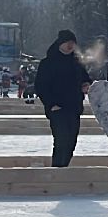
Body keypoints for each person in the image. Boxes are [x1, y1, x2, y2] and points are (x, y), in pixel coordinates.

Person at [34, 31, 92, 168]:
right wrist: (51, 104)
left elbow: (85, 79)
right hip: (57, 108)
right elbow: (41, 86)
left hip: (74, 107)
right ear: (60, 44)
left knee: (71, 142)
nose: (70, 46)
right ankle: (57, 170)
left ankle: (63, 169)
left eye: (73, 43)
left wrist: (86, 85)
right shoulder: (48, 63)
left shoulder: (76, 62)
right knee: (61, 140)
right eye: (68, 43)